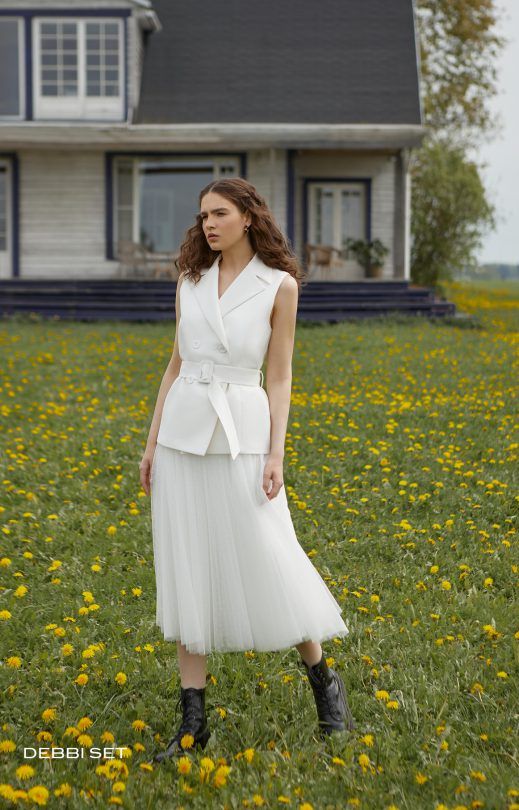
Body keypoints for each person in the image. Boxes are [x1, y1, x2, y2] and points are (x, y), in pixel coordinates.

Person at [139, 178, 355, 763]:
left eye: (219, 214)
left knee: (271, 554)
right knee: (187, 571)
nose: (208, 224)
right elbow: (175, 365)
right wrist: (152, 443)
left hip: (244, 440)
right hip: (182, 439)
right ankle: (193, 725)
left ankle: (325, 683)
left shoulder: (279, 285)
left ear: (248, 218)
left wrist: (276, 453)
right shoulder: (189, 281)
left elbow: (279, 376)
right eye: (203, 216)